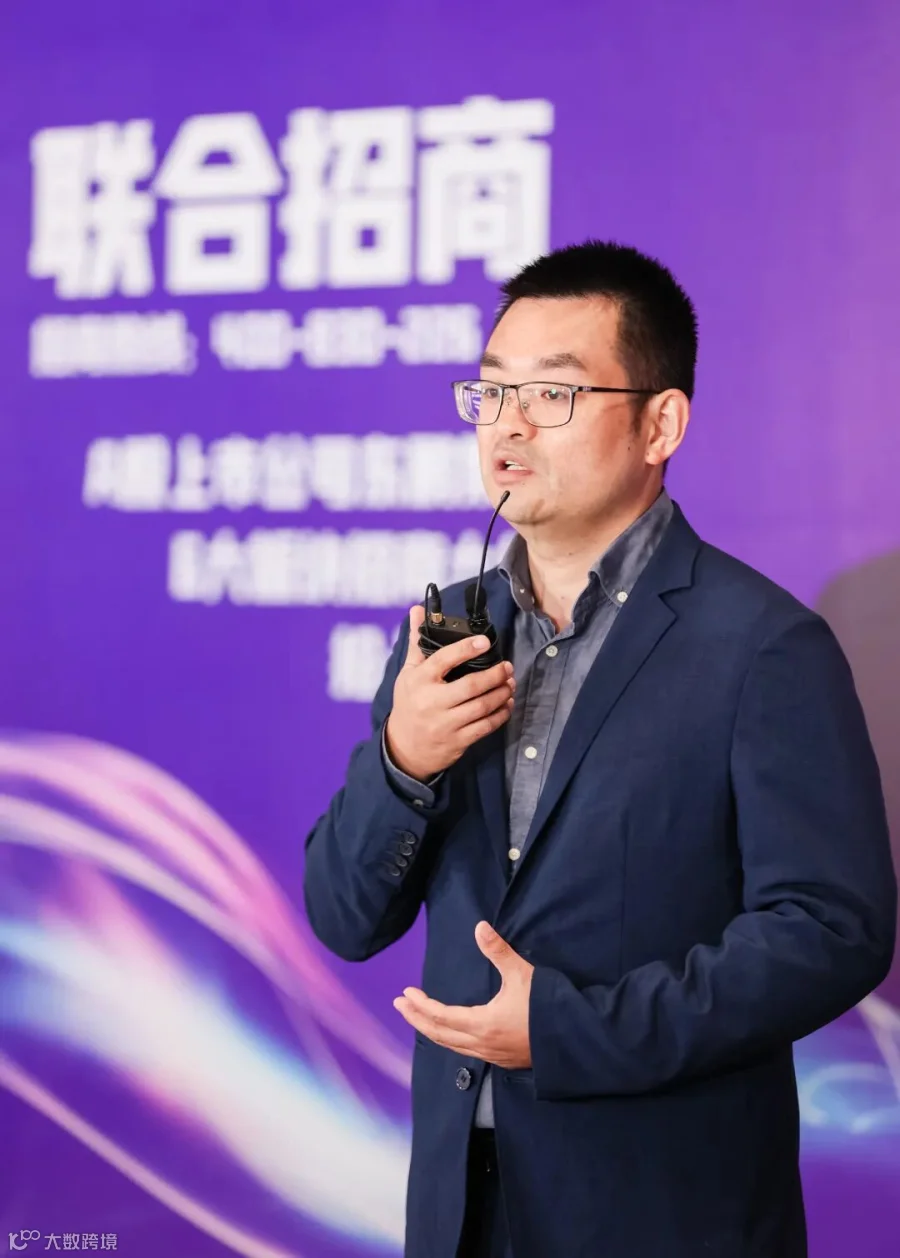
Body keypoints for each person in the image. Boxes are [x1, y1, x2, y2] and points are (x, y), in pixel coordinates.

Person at [303, 240, 896, 1258]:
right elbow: (344, 916)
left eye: (552, 394)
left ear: (660, 423)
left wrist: (573, 1029)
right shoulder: (450, 633)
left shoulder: (762, 646)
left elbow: (830, 931)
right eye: (492, 393)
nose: (509, 426)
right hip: (460, 1209)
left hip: (661, 1208)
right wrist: (404, 760)